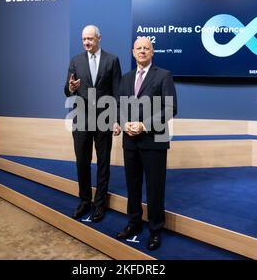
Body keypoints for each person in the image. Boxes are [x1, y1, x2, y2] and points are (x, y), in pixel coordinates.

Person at [115, 37, 177, 250]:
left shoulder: (164, 75)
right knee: (132, 186)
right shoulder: (125, 78)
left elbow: (170, 109)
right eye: (138, 48)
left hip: (154, 140)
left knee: (154, 188)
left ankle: (155, 230)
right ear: (133, 52)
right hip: (130, 141)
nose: (142, 51)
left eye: (146, 48)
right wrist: (123, 124)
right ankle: (133, 223)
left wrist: (143, 125)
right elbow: (119, 107)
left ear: (152, 52)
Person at [64, 25, 122, 222]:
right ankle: (84, 201)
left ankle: (100, 204)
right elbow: (67, 89)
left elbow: (117, 92)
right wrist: (70, 88)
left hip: (104, 119)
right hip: (81, 120)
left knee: (103, 163)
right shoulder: (75, 61)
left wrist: (116, 120)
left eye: (90, 38)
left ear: (99, 38)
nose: (87, 42)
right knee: (82, 162)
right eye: (83, 39)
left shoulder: (112, 60)